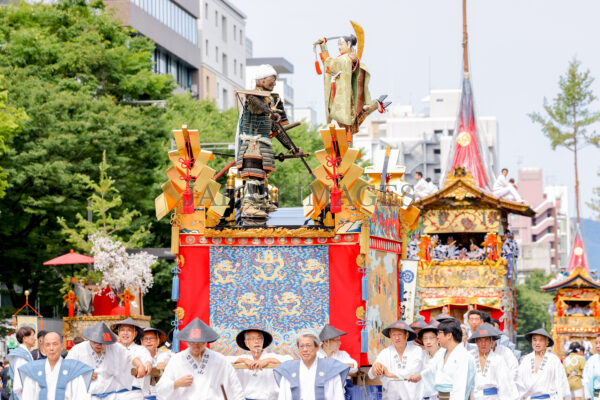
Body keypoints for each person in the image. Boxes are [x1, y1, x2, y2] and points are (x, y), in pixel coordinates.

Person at [314, 32, 389, 142]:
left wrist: (323, 47)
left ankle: (371, 107)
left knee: (347, 127)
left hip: (345, 98)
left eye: (341, 44)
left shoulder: (346, 59)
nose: (339, 47)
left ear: (349, 44)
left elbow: (330, 65)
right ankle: (372, 106)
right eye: (338, 44)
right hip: (340, 96)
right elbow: (331, 65)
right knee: (348, 127)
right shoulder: (344, 58)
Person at [156, 318, 244, 399]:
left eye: (201, 342)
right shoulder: (176, 360)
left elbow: (235, 387)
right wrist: (176, 383)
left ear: (206, 341)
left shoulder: (220, 360)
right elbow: (160, 389)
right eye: (193, 342)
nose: (196, 346)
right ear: (186, 341)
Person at [66, 322, 144, 400]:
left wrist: (139, 365)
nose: (99, 345)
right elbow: (66, 368)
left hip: (111, 395)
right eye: (95, 342)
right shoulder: (78, 350)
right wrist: (81, 372)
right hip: (86, 396)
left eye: (102, 343)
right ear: (89, 339)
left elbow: (129, 356)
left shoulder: (113, 347)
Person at [409, 318, 475, 400]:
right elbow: (432, 369)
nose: (437, 336)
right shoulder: (443, 353)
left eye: (440, 333)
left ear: (449, 335)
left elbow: (460, 388)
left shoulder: (463, 356)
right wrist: (420, 375)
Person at [274, 330, 347, 400]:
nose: (305, 349)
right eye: (301, 346)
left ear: (317, 347)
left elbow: (338, 396)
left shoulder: (330, 368)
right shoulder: (289, 370)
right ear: (298, 348)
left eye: (308, 345)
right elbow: (283, 397)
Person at [19, 331, 93, 400]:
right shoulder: (33, 370)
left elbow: (81, 396)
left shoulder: (73, 370)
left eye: (55, 344)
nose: (51, 348)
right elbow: (27, 396)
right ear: (44, 348)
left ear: (61, 346)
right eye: (47, 345)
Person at [229, 327, 291, 400]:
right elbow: (223, 360)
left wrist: (268, 360)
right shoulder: (243, 359)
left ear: (263, 341)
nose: (256, 341)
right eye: (252, 338)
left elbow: (290, 359)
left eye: (259, 338)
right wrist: (243, 360)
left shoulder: (271, 357)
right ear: (246, 343)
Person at [368, 320, 424, 399]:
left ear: (407, 335)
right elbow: (371, 374)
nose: (396, 338)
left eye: (400, 334)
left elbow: (412, 371)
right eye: (393, 335)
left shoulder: (416, 350)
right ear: (390, 336)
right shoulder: (386, 352)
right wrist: (375, 369)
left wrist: (389, 374)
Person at [467, 324, 518, 400]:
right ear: (476, 342)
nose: (483, 344)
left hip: (493, 397)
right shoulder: (470, 358)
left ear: (491, 341)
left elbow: (504, 385)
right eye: (480, 340)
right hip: (474, 396)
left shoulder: (498, 359)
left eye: (486, 340)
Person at [516, 328, 570, 400]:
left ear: (547, 342)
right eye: (534, 340)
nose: (537, 343)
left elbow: (561, 383)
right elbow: (519, 383)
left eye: (541, 340)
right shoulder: (526, 360)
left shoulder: (554, 360)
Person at [111, 318, 152, 400]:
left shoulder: (141, 350)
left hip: (133, 394)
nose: (125, 333)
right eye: (122, 330)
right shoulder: (112, 349)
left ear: (135, 334)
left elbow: (148, 362)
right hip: (112, 395)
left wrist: (147, 364)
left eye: (129, 330)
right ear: (118, 332)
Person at [140, 327, 170, 400]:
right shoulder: (137, 357)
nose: (148, 341)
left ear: (158, 341)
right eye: (145, 339)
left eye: (151, 338)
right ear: (141, 342)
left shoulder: (166, 354)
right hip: (142, 395)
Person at [7, 326, 36, 400]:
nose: (35, 339)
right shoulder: (21, 356)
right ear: (25, 338)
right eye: (32, 336)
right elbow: (20, 380)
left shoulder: (25, 353)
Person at [418, 324, 441, 400]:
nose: (428, 342)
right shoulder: (422, 355)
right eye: (425, 339)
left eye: (431, 338)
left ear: (438, 339)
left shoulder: (445, 355)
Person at [582, 335, 600, 399]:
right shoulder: (592, 360)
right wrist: (589, 396)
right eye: (596, 343)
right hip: (597, 392)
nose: (597, 346)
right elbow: (587, 380)